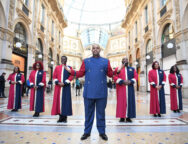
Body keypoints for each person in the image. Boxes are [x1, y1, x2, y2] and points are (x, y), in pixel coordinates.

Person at [67, 44, 113, 141]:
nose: (95, 49)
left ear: (100, 50)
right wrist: (71, 71)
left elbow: (110, 73)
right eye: (93, 48)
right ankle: (87, 132)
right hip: (89, 92)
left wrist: (118, 70)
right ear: (91, 50)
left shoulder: (106, 61)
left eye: (97, 48)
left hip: (101, 92)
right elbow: (80, 73)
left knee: (101, 114)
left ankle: (102, 132)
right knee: (88, 114)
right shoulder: (86, 61)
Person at [113, 57, 138, 122]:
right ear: (122, 61)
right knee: (121, 102)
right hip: (121, 88)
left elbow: (136, 76)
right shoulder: (118, 69)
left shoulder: (132, 69)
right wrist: (122, 81)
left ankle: (129, 117)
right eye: (124, 60)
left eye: (127, 60)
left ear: (128, 61)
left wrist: (130, 81)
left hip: (130, 88)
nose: (125, 61)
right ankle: (122, 117)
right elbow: (114, 76)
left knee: (130, 101)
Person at [51, 56, 74, 123]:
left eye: (64, 59)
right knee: (58, 101)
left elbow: (71, 76)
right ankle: (60, 117)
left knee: (66, 101)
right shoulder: (57, 67)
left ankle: (65, 117)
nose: (63, 60)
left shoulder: (69, 68)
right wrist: (57, 82)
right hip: (58, 87)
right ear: (61, 60)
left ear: (66, 60)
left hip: (66, 87)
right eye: (62, 59)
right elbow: (54, 76)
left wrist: (65, 82)